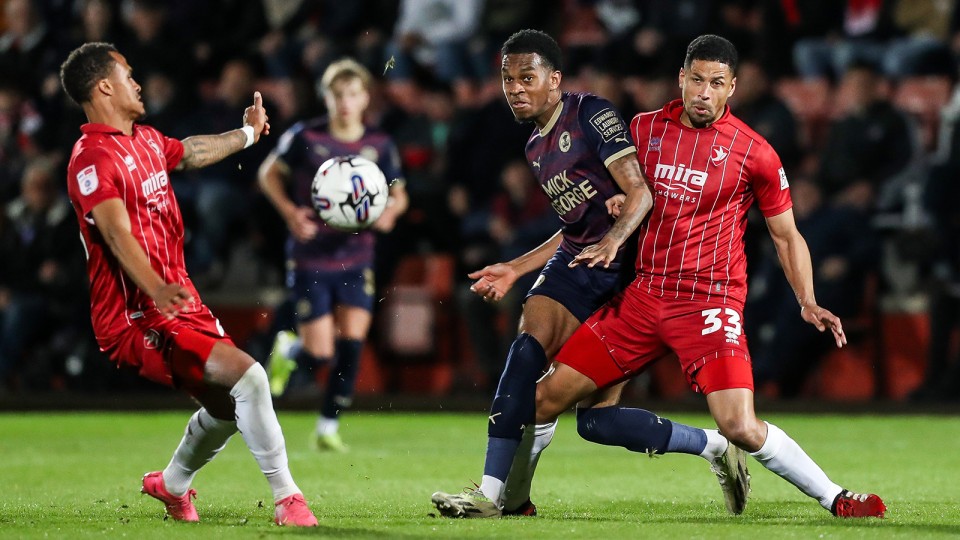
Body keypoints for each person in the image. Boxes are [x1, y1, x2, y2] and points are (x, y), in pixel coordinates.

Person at [512, 34, 885, 518]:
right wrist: (614, 202)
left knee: (740, 425)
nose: (704, 92)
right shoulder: (643, 129)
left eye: (716, 83)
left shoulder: (755, 152)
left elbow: (787, 235)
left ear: (732, 88)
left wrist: (807, 300)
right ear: (681, 79)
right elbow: (610, 198)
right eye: (696, 80)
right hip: (643, 295)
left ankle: (836, 496)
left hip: (709, 303)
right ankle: (512, 503)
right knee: (546, 401)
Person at [432, 29, 750, 519]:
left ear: (554, 79)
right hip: (577, 264)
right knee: (525, 352)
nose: (515, 88)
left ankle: (714, 445)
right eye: (507, 79)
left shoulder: (590, 114)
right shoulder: (535, 146)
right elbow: (574, 227)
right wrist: (516, 267)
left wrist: (613, 240)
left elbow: (639, 193)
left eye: (527, 77)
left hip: (626, 276)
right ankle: (494, 495)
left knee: (596, 424)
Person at [59, 42, 317, 527]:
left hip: (178, 303)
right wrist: (155, 287)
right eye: (128, 75)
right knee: (250, 378)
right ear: (105, 86)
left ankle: (172, 485)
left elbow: (192, 151)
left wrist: (247, 133)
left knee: (226, 408)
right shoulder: (90, 159)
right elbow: (114, 232)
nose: (138, 84)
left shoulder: (144, 140)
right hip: (136, 315)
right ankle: (288, 499)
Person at [258, 57, 409, 452]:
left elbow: (399, 193)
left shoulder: (379, 144)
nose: (345, 102)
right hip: (311, 255)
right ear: (326, 97)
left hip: (358, 256)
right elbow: (268, 173)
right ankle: (290, 349)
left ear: (365, 98)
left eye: (352, 94)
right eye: (337, 94)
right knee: (320, 352)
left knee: (353, 343)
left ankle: (327, 427)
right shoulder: (306, 137)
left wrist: (390, 212)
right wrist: (290, 213)